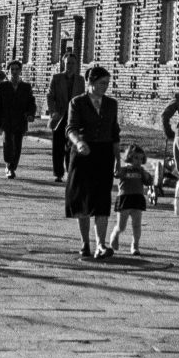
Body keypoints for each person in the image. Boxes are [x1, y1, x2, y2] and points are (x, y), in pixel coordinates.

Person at [65, 65, 121, 260]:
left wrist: (118, 162)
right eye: (101, 83)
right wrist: (79, 142)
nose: (105, 87)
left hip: (104, 153)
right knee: (82, 199)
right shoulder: (77, 102)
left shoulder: (111, 104)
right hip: (83, 154)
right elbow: (70, 128)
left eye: (107, 83)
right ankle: (85, 243)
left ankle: (100, 245)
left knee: (101, 200)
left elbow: (115, 133)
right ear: (90, 82)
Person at [106, 144, 153, 255]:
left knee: (137, 225)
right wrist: (116, 168)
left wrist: (146, 174)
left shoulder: (141, 172)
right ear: (130, 157)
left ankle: (135, 245)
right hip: (125, 199)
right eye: (136, 158)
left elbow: (149, 181)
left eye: (141, 159)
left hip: (137, 199)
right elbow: (116, 174)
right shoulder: (124, 170)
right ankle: (115, 234)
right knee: (121, 226)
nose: (139, 161)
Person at [46, 52, 86, 183]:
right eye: (68, 63)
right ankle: (58, 173)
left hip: (73, 116)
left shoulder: (80, 80)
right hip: (59, 116)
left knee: (71, 144)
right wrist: (53, 112)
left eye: (73, 63)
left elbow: (82, 98)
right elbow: (50, 96)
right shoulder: (56, 78)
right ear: (63, 63)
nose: (70, 66)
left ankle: (70, 171)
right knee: (58, 145)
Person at [0, 60, 36, 178]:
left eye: (17, 69)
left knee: (17, 144)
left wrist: (31, 114)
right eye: (12, 69)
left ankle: (13, 165)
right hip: (7, 120)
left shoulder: (26, 87)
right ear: (8, 71)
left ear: (20, 70)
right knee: (8, 143)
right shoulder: (2, 86)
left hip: (20, 120)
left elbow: (31, 102)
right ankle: (9, 166)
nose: (15, 72)